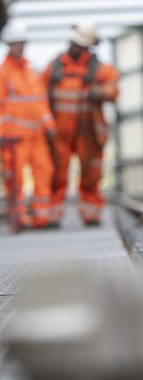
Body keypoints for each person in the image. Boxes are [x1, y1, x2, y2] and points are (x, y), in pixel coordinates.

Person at [42, 23, 119, 226]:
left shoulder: (98, 68)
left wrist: (101, 92)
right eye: (77, 44)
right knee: (56, 174)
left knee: (91, 174)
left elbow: (113, 87)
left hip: (88, 131)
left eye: (83, 46)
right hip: (60, 132)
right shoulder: (55, 67)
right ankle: (53, 214)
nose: (79, 49)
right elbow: (40, 93)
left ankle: (91, 213)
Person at [0, 20, 56, 228]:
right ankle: (19, 218)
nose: (21, 46)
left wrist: (49, 126)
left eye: (23, 42)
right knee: (15, 179)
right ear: (9, 45)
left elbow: (41, 102)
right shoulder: (4, 73)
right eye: (17, 42)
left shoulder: (32, 72)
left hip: (37, 136)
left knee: (44, 172)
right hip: (14, 138)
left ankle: (42, 217)